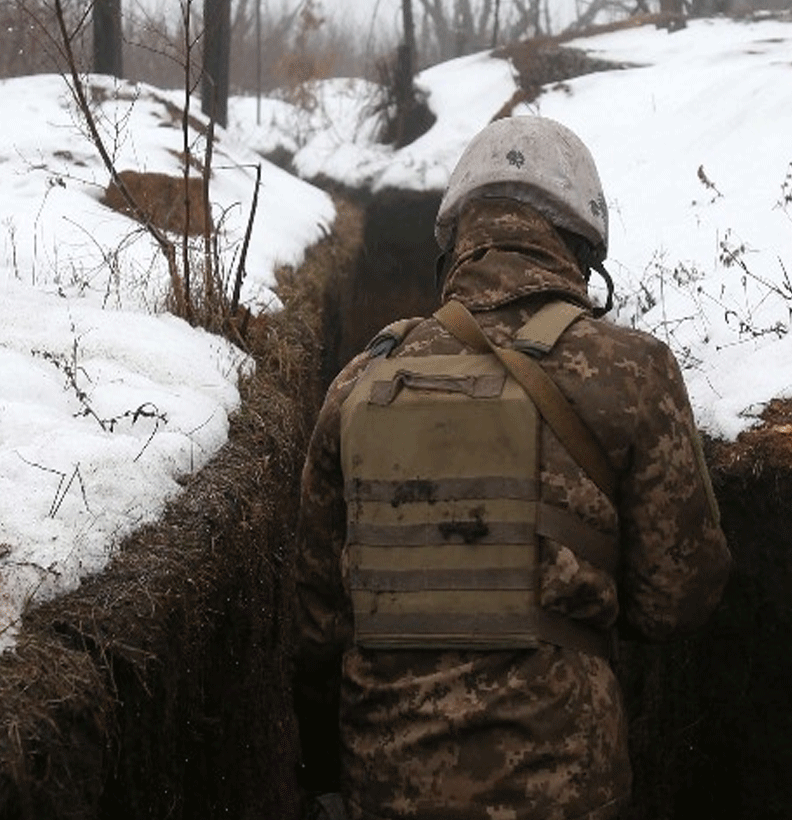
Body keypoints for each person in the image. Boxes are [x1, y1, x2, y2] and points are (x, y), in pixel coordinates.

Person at [294, 115, 732, 820]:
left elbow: (318, 625)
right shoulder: (633, 372)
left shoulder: (360, 381)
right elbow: (676, 601)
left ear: (457, 244)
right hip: (565, 787)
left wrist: (325, 775)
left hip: (387, 785)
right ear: (582, 249)